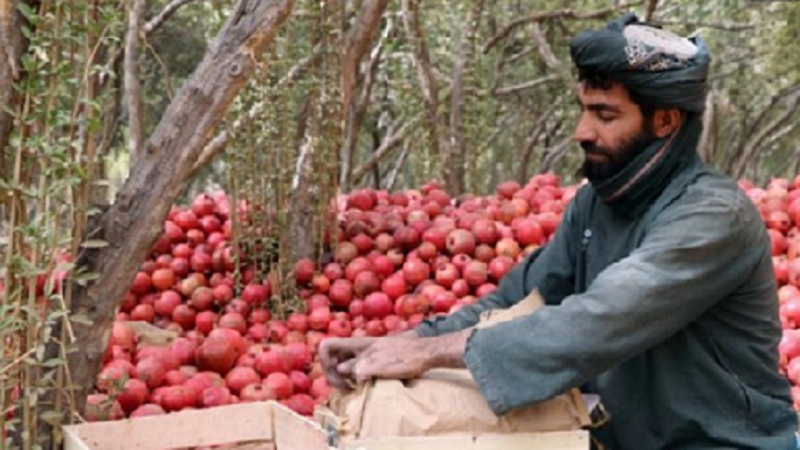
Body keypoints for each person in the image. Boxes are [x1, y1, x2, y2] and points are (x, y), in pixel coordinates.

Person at [320, 13, 798, 449]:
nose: (581, 130)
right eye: (583, 109)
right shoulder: (597, 201)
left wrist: (429, 354)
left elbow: (597, 321)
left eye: (604, 115)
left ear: (665, 122)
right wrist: (408, 341)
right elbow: (521, 301)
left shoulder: (713, 217)